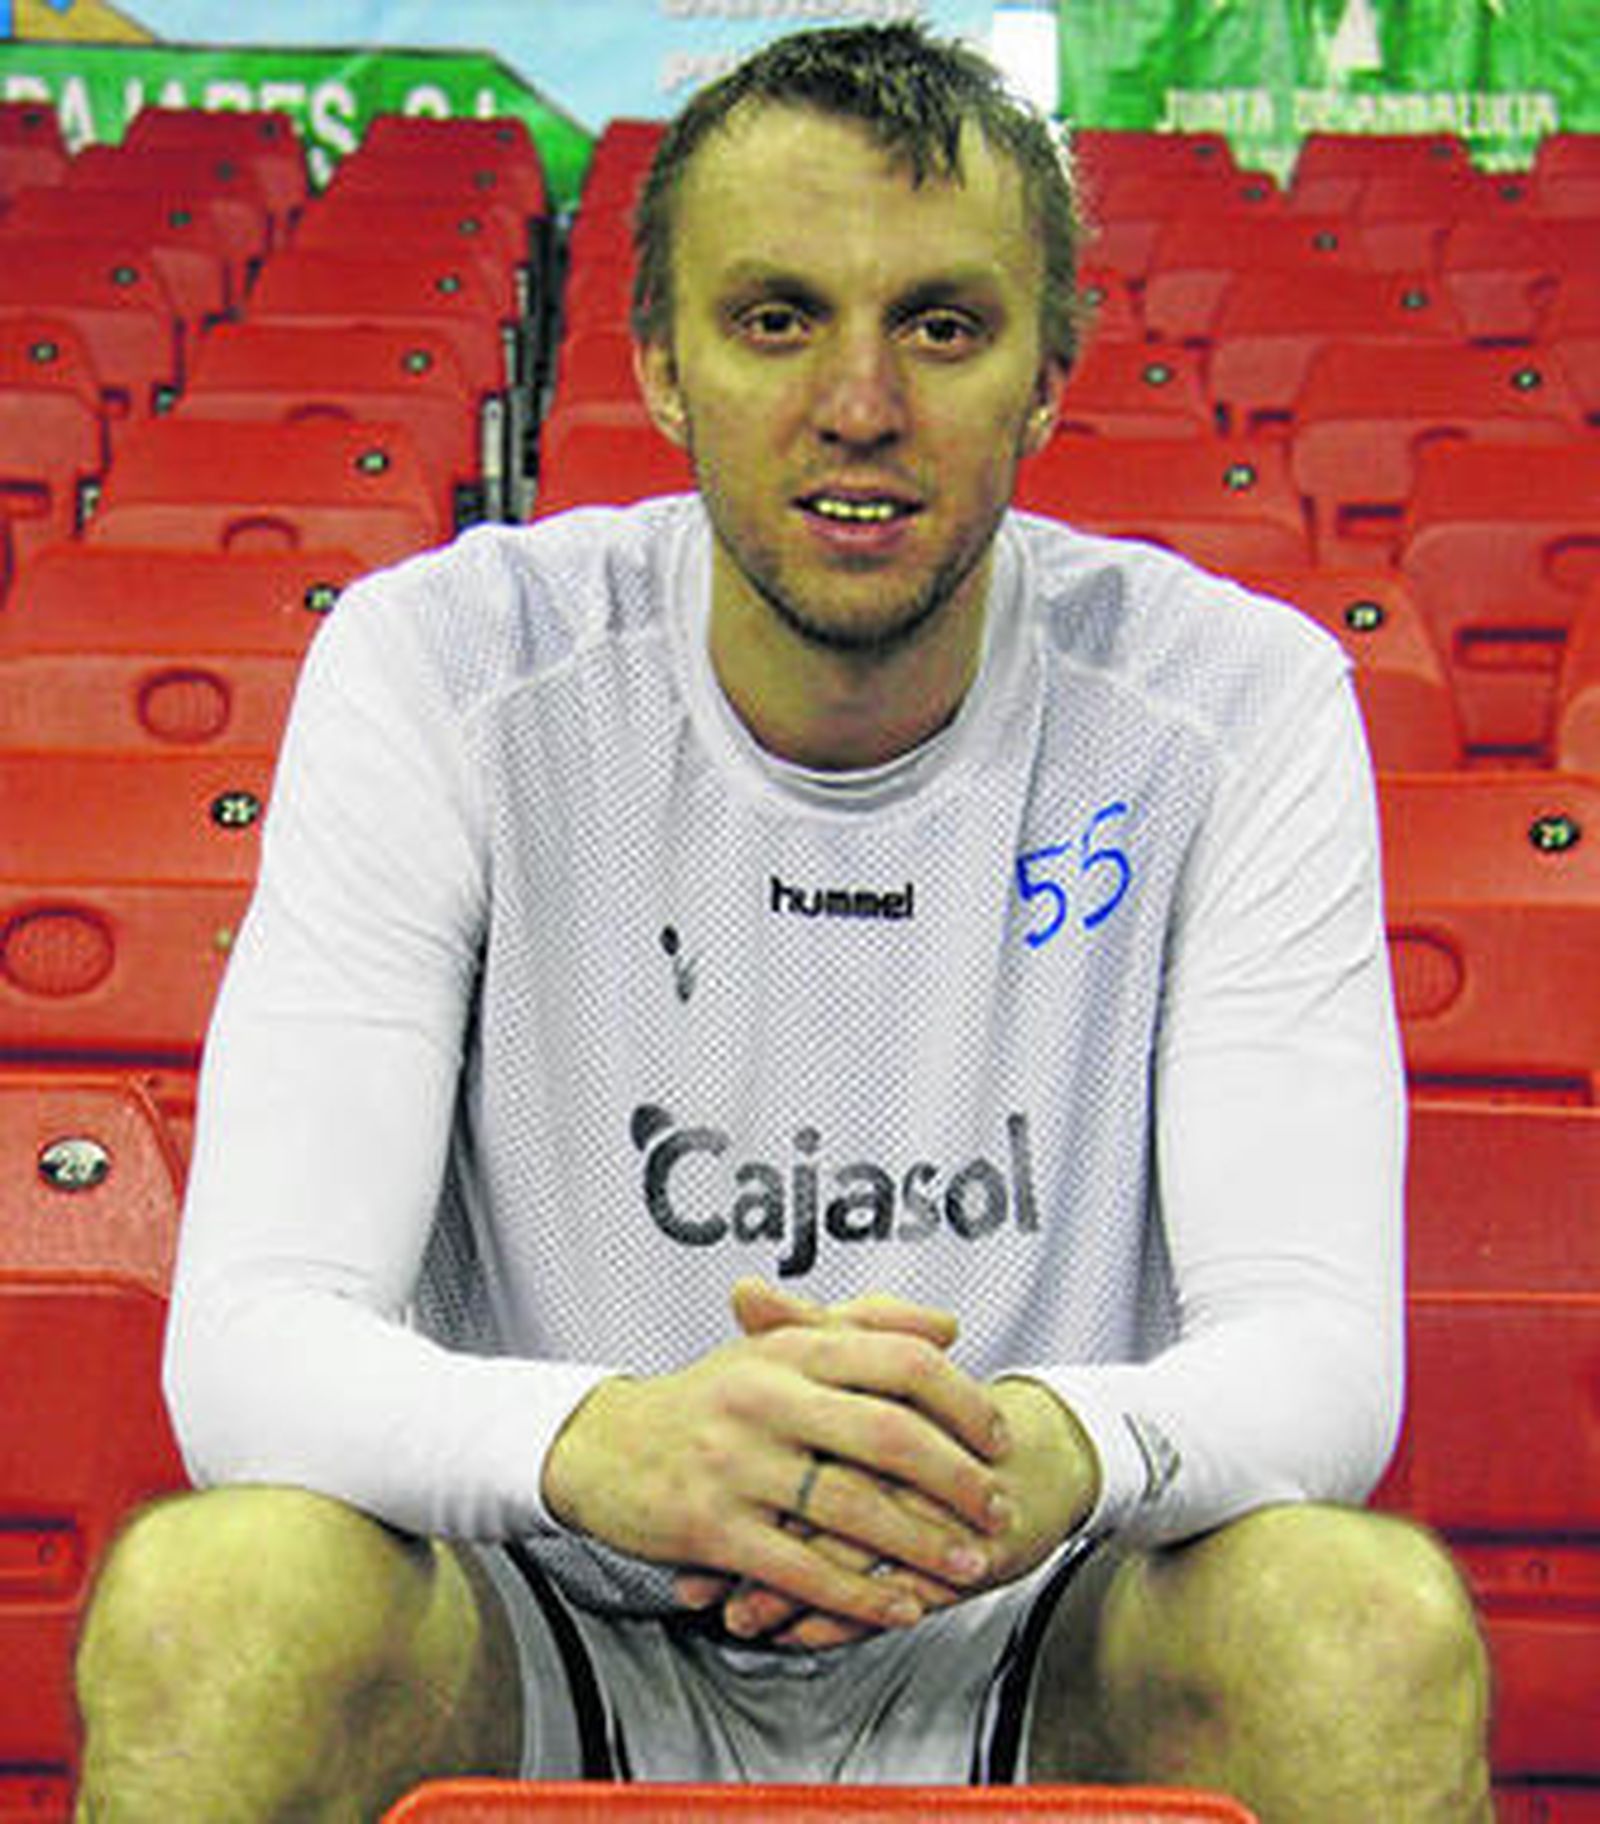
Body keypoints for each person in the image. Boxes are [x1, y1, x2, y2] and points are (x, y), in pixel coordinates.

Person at [73, 22, 1492, 1822]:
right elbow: (252, 1346)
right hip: (552, 1620)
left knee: (1364, 1626)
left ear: (1050, 374)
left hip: (1037, 1634)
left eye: (943, 326)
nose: (859, 405)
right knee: (213, 1608)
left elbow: (1319, 1354)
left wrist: (1039, 1450)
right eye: (774, 319)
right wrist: (607, 1444)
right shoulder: (444, 668)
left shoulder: (1236, 703)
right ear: (659, 363)